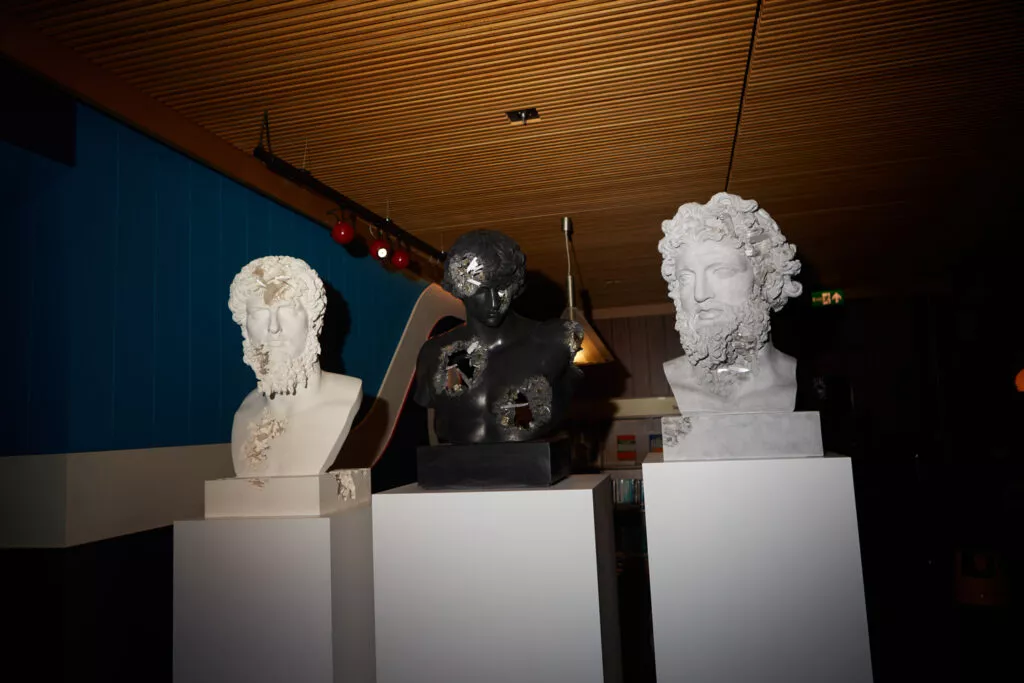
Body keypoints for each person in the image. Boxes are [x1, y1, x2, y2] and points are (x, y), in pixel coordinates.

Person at [414, 230, 583, 443]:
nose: (494, 302)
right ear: (460, 289)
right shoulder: (433, 354)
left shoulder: (555, 341)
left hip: (531, 462)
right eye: (482, 290)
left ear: (516, 286)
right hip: (456, 463)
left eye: (503, 289)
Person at [659, 192, 803, 412]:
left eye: (721, 271)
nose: (700, 294)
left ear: (765, 278)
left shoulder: (793, 378)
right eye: (686, 278)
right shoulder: (675, 377)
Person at [227, 255, 362, 476]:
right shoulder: (245, 415)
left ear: (313, 322)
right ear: (245, 328)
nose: (273, 327)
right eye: (259, 313)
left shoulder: (344, 399)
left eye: (288, 310)